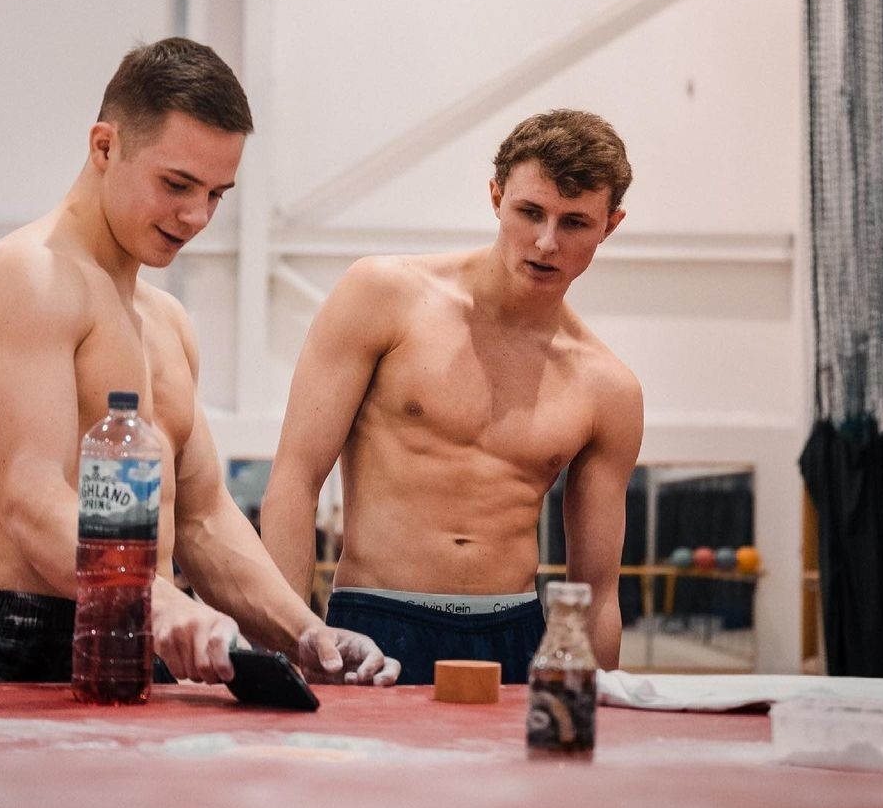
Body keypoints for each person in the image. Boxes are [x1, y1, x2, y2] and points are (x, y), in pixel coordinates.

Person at [0, 37, 399, 688]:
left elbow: (204, 519)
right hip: (36, 643)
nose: (196, 216)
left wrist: (304, 632)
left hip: (145, 634)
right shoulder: (28, 279)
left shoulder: (166, 321)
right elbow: (32, 503)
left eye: (216, 194)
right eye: (176, 185)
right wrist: (165, 605)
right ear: (105, 147)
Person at [260, 110, 643, 683]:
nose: (546, 242)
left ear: (609, 226)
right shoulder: (385, 297)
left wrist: (597, 707)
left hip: (515, 634)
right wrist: (292, 644)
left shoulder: (607, 388)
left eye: (574, 223)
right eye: (530, 212)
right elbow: (294, 481)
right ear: (496, 197)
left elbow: (598, 593)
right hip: (376, 622)